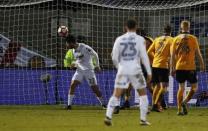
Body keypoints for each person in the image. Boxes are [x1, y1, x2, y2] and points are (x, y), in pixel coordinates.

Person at [104, 19, 152, 126]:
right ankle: (143, 120)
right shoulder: (140, 40)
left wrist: (119, 67)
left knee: (116, 94)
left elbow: (114, 57)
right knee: (143, 95)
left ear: (126, 27)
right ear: (136, 27)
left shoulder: (119, 39)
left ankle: (108, 116)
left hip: (123, 69)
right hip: (135, 70)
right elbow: (144, 57)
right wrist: (149, 72)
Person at [171, 20, 205, 115]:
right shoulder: (193, 38)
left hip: (179, 67)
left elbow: (172, 55)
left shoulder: (175, 39)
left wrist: (172, 68)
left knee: (181, 88)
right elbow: (198, 54)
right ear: (189, 27)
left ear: (181, 28)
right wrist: (202, 65)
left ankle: (179, 110)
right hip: (190, 68)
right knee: (194, 87)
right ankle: (185, 102)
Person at [65, 34, 106, 110]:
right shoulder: (73, 50)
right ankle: (69, 105)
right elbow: (79, 60)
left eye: (67, 43)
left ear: (71, 43)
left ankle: (103, 104)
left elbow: (95, 54)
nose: (66, 45)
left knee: (94, 88)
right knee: (72, 85)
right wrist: (74, 64)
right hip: (79, 71)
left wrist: (97, 65)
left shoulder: (85, 47)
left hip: (89, 71)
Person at [147, 25, 173, 112]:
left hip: (154, 65)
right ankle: (155, 105)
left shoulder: (157, 39)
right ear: (170, 32)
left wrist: (155, 58)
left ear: (163, 31)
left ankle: (153, 105)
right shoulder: (171, 40)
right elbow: (173, 54)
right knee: (164, 88)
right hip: (163, 65)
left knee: (157, 86)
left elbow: (148, 52)